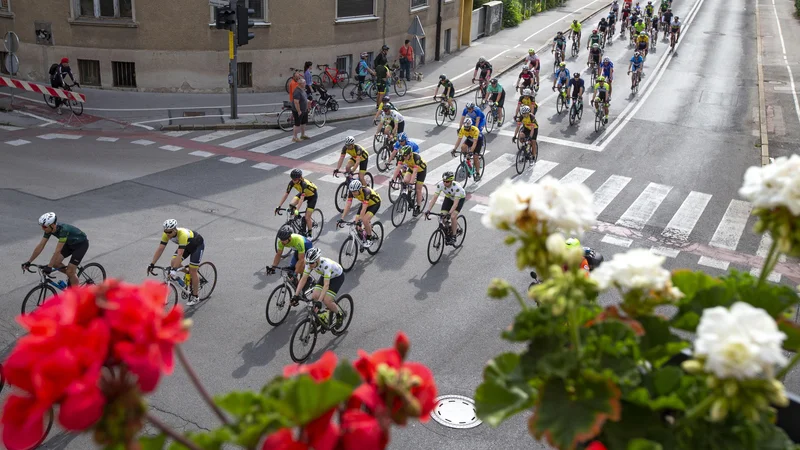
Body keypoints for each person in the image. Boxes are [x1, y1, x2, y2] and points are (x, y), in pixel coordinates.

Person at [23, 212, 88, 288]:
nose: (42, 228)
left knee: (70, 271)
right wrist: (29, 261)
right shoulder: (49, 229)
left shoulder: (63, 230)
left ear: (53, 225)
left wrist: (49, 267)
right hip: (69, 244)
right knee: (56, 263)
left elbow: (57, 251)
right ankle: (72, 275)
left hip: (80, 245)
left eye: (44, 226)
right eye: (42, 226)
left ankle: (77, 294)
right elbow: (41, 245)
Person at [148, 219, 205, 306]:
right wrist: (152, 264)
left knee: (193, 269)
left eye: (170, 232)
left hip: (197, 245)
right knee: (173, 262)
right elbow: (160, 249)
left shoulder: (182, 234)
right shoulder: (166, 234)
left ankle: (195, 296)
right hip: (186, 245)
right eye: (165, 232)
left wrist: (174, 270)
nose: (167, 234)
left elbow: (180, 253)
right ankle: (188, 273)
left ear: (175, 229)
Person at [293, 248, 346, 328]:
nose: (309, 265)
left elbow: (326, 285)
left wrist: (320, 301)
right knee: (314, 296)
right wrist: (296, 295)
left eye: (312, 263)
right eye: (308, 263)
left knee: (327, 300)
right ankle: (321, 318)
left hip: (337, 277)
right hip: (325, 276)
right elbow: (303, 279)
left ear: (317, 260)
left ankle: (339, 314)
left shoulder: (326, 265)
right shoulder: (309, 263)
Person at [425, 172, 466, 244]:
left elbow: (455, 204)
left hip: (459, 199)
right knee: (442, 217)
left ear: (451, 181)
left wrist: (449, 213)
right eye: (444, 181)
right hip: (449, 197)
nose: (445, 183)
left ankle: (454, 236)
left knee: (453, 217)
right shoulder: (440, 185)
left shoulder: (457, 188)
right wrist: (428, 210)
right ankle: (449, 228)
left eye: (447, 181)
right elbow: (434, 198)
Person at [274, 169, 318, 237]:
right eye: (292, 179)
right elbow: (286, 194)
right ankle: (300, 219)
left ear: (300, 178)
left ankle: (310, 234)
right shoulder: (291, 182)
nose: (293, 181)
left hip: (312, 196)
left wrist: (297, 210)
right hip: (303, 194)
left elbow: (302, 198)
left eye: (295, 179)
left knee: (307, 217)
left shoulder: (304, 184)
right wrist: (279, 206)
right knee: (291, 205)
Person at [338, 179, 382, 243]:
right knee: (356, 224)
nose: (353, 193)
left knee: (364, 220)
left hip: (375, 203)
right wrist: (342, 218)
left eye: (355, 191)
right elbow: (348, 205)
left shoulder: (366, 191)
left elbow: (364, 208)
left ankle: (369, 238)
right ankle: (364, 235)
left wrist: (360, 220)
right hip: (365, 203)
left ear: (359, 189)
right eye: (352, 191)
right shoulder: (352, 192)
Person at [399, 145, 428, 215]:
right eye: (403, 156)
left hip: (421, 170)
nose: (404, 157)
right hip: (412, 168)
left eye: (405, 155)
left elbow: (415, 172)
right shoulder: (403, 156)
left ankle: (418, 207)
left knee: (418, 190)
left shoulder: (416, 157)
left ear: (410, 154)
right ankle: (409, 196)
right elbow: (398, 167)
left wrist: (411, 184)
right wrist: (393, 179)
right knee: (405, 180)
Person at [292, 78, 309, 143]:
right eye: (304, 83)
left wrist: (308, 102)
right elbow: (296, 102)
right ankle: (295, 137)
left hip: (304, 109)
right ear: (300, 84)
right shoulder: (297, 91)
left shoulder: (302, 90)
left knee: (303, 123)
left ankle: (302, 135)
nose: (305, 84)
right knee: (297, 124)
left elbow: (304, 99)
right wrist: (299, 111)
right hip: (298, 110)